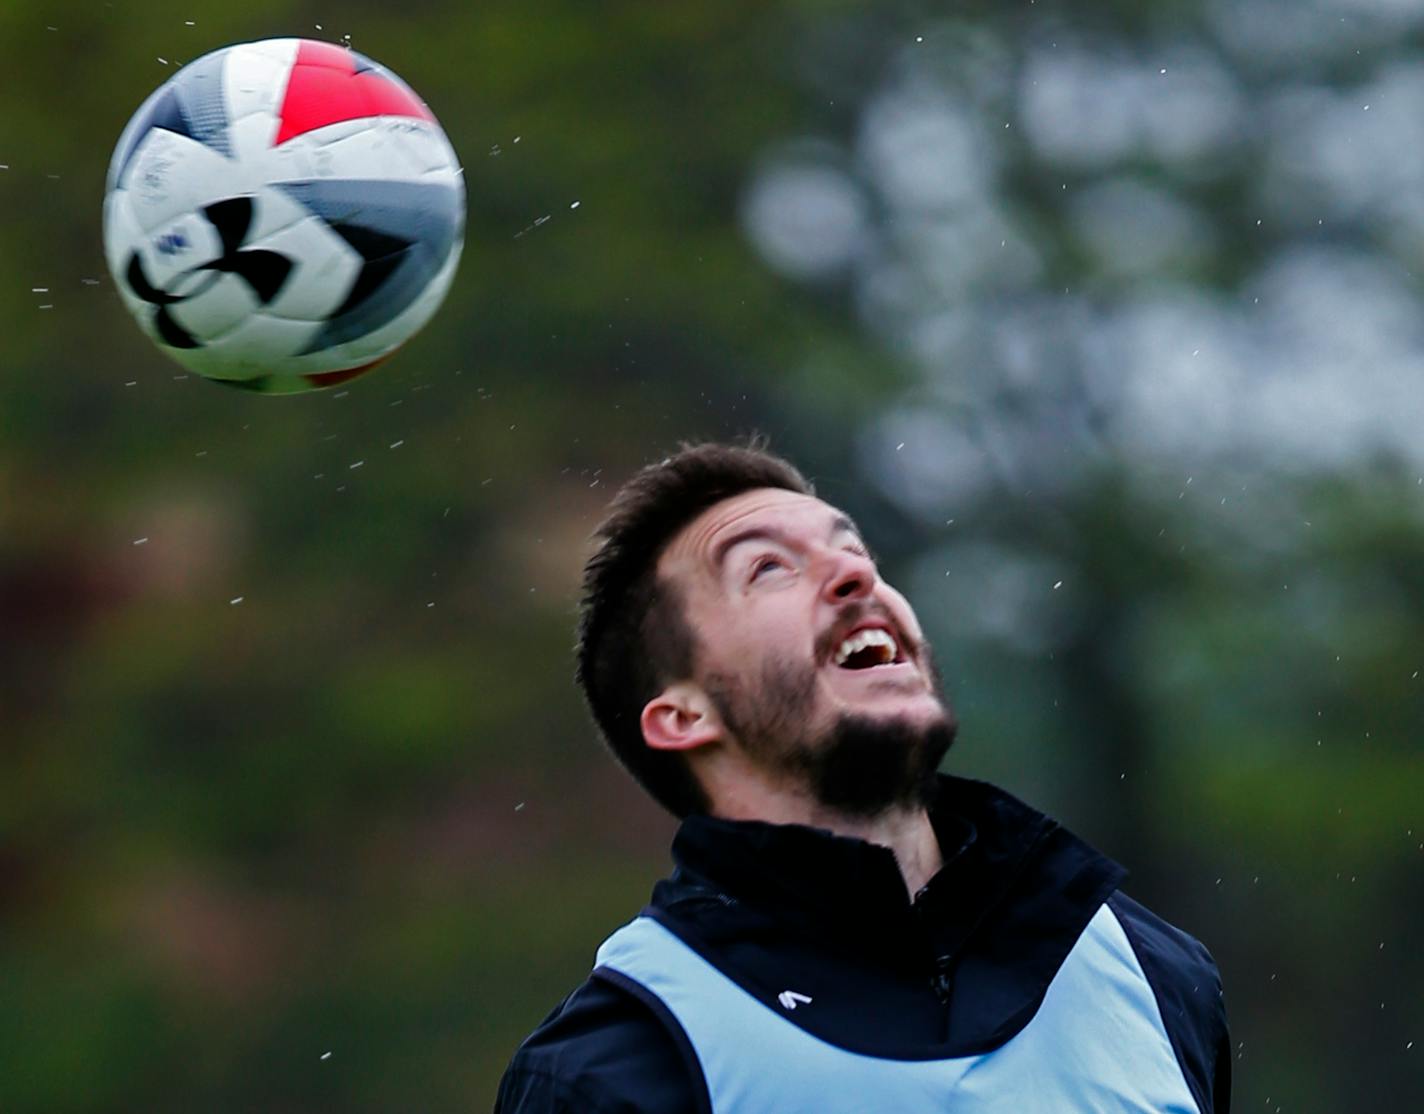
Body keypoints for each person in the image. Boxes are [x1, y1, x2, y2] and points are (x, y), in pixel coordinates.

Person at [494, 440, 1230, 1113]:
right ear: (683, 717)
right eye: (768, 568)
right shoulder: (612, 1069)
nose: (856, 575)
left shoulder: (1150, 970)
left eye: (854, 551)